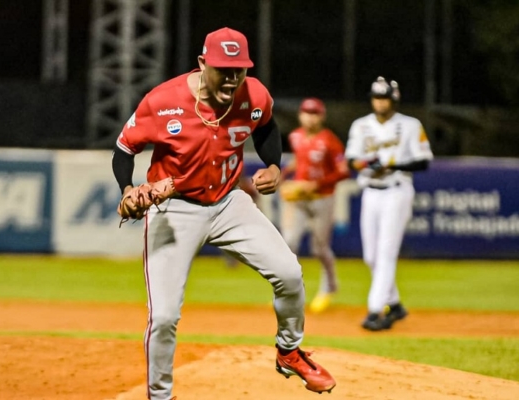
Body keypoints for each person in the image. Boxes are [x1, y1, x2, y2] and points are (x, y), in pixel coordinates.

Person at [112, 27, 336, 399]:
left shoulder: (254, 94)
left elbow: (266, 127)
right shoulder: (162, 100)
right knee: (164, 316)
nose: (232, 78)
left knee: (289, 273)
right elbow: (124, 149)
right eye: (223, 69)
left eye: (239, 69)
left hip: (229, 202)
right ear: (203, 64)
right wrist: (127, 188)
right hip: (174, 209)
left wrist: (275, 165)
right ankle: (159, 395)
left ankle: (289, 351)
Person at [344, 76, 433, 331]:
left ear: (394, 100)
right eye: (376, 97)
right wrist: (366, 163)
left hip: (397, 190)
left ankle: (375, 311)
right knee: (370, 256)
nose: (380, 103)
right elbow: (351, 160)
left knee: (385, 252)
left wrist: (391, 165)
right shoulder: (361, 126)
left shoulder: (410, 125)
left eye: (385, 98)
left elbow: (423, 161)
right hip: (371, 191)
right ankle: (394, 305)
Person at [279, 98, 350, 313]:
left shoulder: (330, 141)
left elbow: (344, 170)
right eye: (307, 113)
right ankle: (289, 292)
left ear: (322, 116)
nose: (310, 117)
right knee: (289, 242)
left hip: (322, 198)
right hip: (301, 197)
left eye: (315, 113)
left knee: (319, 248)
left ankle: (329, 286)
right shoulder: (295, 136)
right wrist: (284, 175)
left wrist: (316, 184)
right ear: (300, 115)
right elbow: (301, 160)